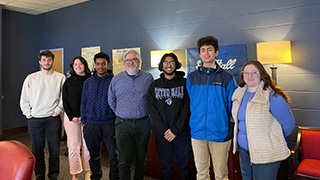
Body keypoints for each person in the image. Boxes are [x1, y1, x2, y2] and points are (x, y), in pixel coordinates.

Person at [231, 60, 295, 180]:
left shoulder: (272, 96)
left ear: (261, 74)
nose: (250, 76)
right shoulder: (239, 93)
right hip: (244, 150)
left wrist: (272, 138)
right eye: (246, 73)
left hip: (265, 152)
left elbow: (289, 124)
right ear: (242, 75)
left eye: (254, 72)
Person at [186, 36, 237, 180]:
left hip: (219, 133)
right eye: (203, 50)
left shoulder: (226, 78)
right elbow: (192, 102)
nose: (206, 53)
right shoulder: (192, 78)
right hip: (197, 133)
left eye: (209, 49)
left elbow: (230, 105)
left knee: (221, 175)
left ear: (216, 52)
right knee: (201, 174)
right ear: (199, 53)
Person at [20, 50, 66, 180]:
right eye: (44, 60)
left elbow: (64, 98)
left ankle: (53, 175)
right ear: (40, 61)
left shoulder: (60, 78)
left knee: (54, 150)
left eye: (49, 60)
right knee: (37, 151)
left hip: (52, 119)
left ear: (53, 61)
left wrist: (58, 110)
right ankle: (40, 176)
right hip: (35, 119)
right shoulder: (31, 78)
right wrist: (28, 113)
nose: (47, 62)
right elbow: (24, 98)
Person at [108, 50, 154, 180]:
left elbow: (153, 99)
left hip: (143, 123)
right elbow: (110, 99)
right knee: (124, 160)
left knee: (141, 158)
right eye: (128, 61)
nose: (131, 63)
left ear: (139, 62)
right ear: (124, 63)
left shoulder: (148, 78)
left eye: (134, 60)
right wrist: (119, 113)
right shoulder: (116, 79)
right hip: (123, 124)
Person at [149, 53, 191, 180]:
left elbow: (187, 108)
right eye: (166, 62)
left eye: (172, 62)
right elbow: (153, 110)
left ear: (176, 65)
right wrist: (164, 131)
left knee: (184, 167)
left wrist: (175, 130)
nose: (169, 65)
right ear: (162, 65)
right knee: (165, 167)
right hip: (162, 135)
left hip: (181, 134)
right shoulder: (154, 85)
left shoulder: (185, 83)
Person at [81, 52, 119, 180]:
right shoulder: (88, 82)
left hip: (110, 123)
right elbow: (84, 101)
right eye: (98, 64)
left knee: (114, 156)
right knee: (94, 155)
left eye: (103, 64)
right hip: (91, 124)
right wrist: (84, 121)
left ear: (108, 64)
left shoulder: (114, 81)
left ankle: (114, 178)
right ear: (94, 65)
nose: (100, 66)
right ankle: (95, 177)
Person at [62, 56, 91, 180]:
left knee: (87, 146)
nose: (78, 66)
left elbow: (92, 101)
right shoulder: (68, 81)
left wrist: (84, 115)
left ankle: (88, 172)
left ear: (85, 65)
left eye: (80, 64)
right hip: (71, 119)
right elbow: (65, 101)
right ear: (72, 67)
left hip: (87, 118)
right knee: (73, 146)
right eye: (75, 64)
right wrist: (72, 116)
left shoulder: (90, 80)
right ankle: (74, 174)